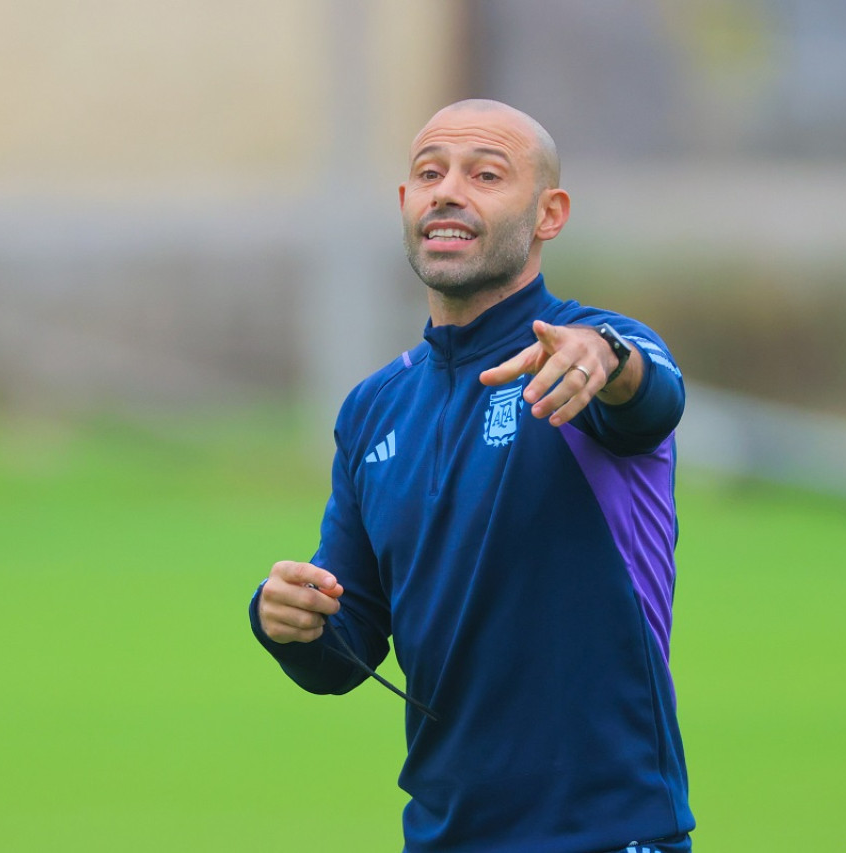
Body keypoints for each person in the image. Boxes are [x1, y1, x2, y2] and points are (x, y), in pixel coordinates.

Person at [248, 99, 695, 853]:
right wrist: (284, 618)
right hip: (443, 837)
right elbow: (347, 643)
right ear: (405, 204)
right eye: (429, 173)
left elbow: (649, 398)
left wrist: (605, 359)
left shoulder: (583, 352)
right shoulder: (373, 409)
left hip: (608, 833)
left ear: (549, 213)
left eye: (486, 174)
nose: (448, 190)